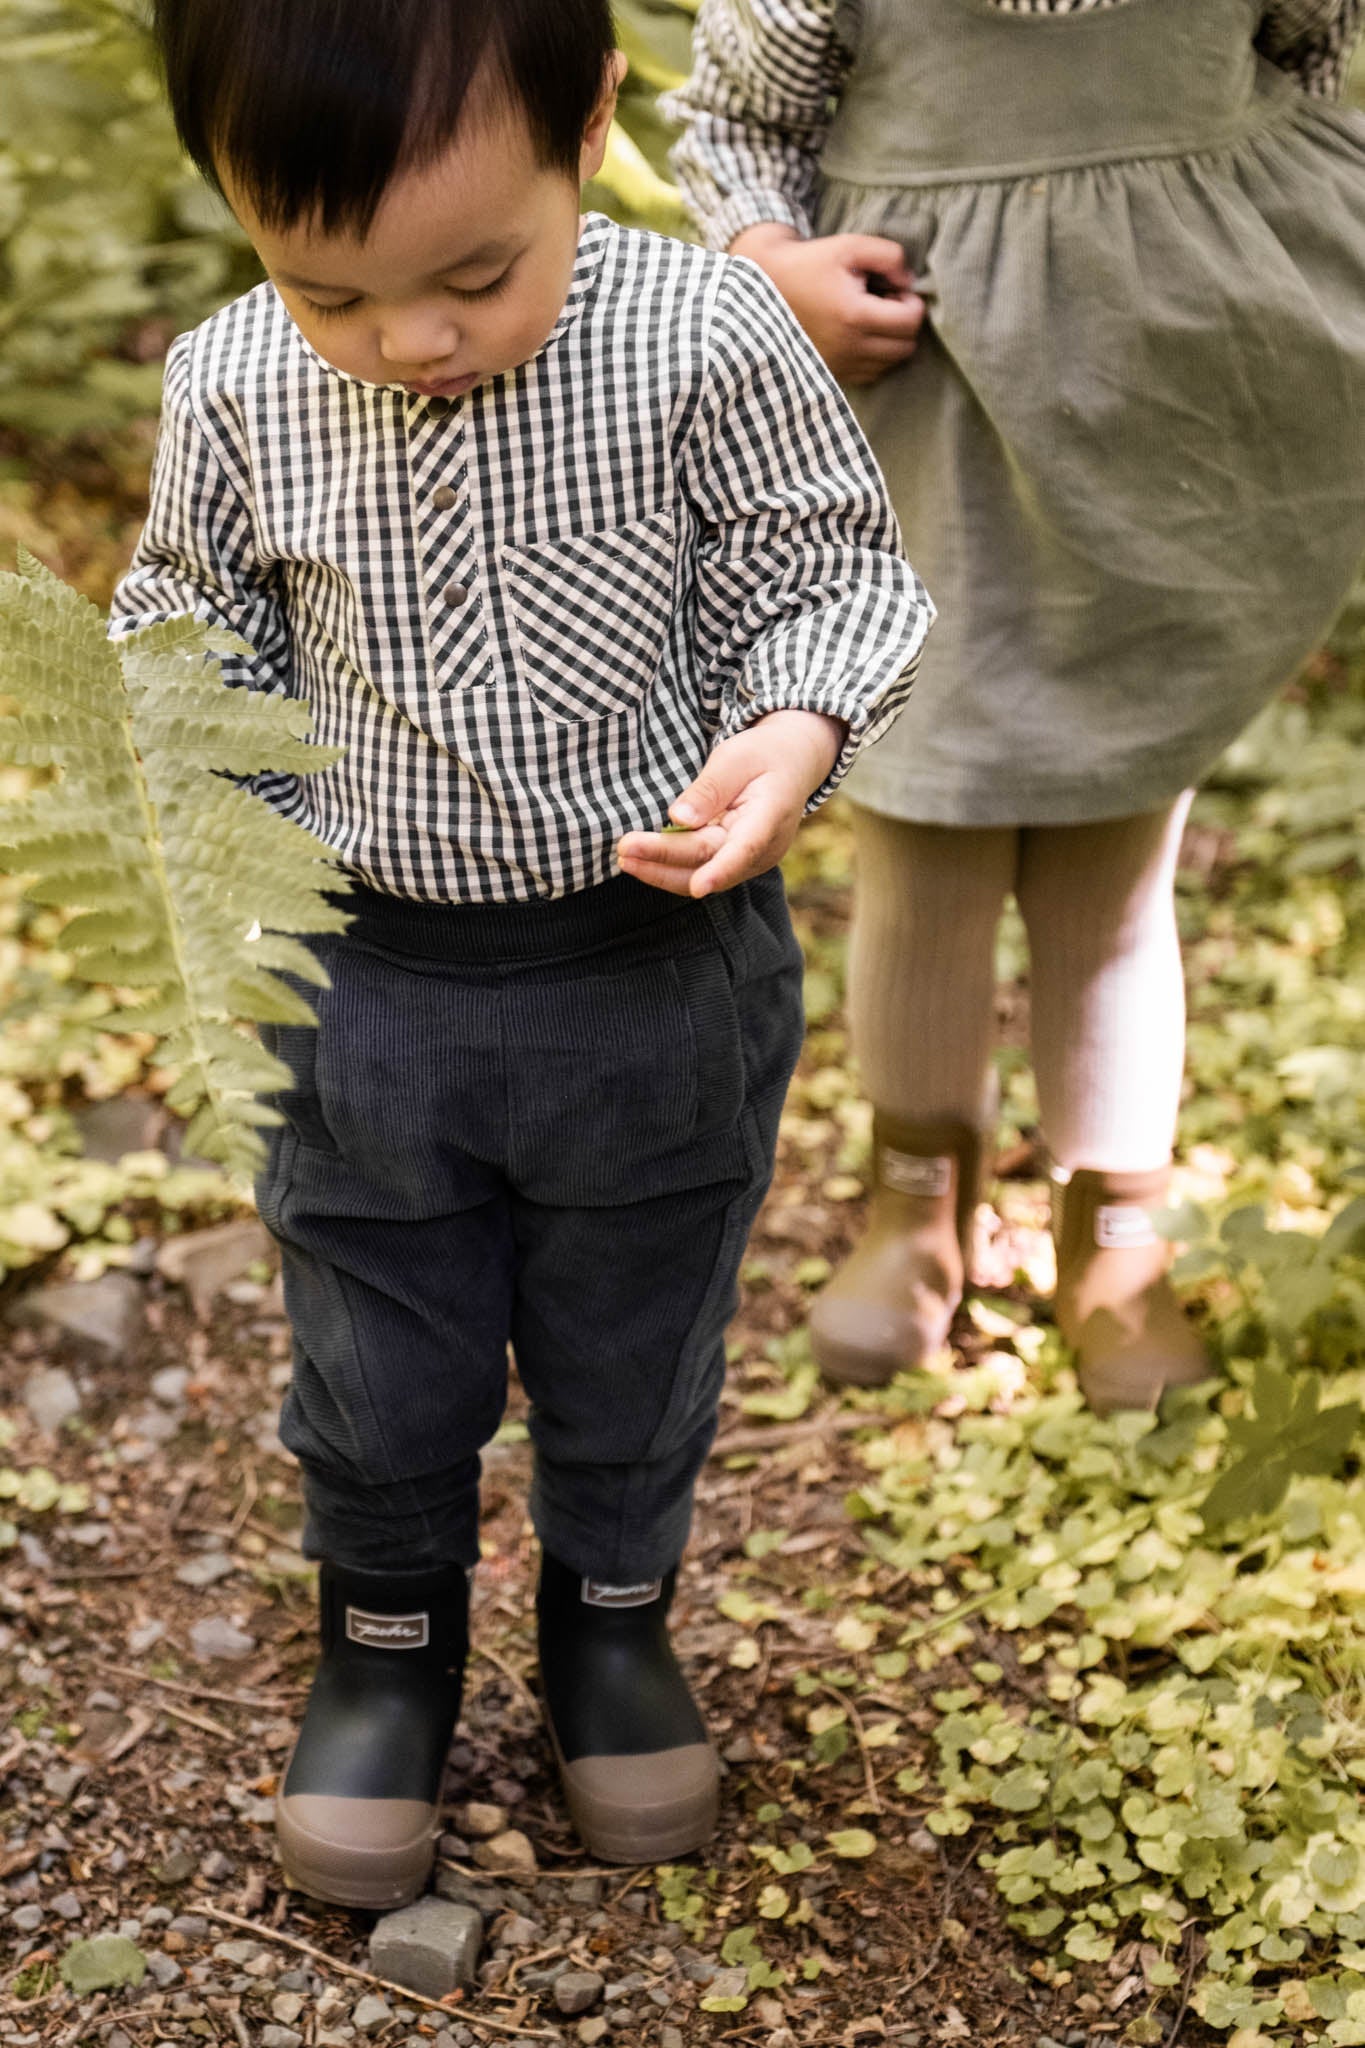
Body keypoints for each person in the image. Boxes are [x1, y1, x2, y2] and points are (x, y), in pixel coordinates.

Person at [110, 0, 931, 1910]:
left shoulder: (705, 335)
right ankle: (383, 1650)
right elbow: (192, 624)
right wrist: (186, 765)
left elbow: (831, 567)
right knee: (375, 1348)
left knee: (633, 1338)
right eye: (329, 289)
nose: (411, 339)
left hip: (652, 969)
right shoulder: (234, 383)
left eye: (477, 275)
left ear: (587, 123)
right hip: (362, 986)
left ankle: (609, 1623)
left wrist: (791, 733)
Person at [668, 0, 1365, 1413]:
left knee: (1112, 875)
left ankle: (1117, 1239)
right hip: (924, 430)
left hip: (1159, 424)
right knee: (926, 844)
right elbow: (739, 124)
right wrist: (769, 264)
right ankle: (913, 1206)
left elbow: (1313, 53)